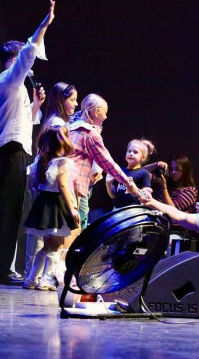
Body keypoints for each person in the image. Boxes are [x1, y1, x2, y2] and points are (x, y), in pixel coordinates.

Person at [0, 1, 53, 286]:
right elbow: (28, 55)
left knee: (12, 210)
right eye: (22, 60)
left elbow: (22, 120)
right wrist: (44, 25)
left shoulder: (15, 87)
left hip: (15, 149)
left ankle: (2, 269)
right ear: (14, 61)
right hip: (8, 150)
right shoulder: (8, 80)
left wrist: (36, 105)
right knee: (7, 211)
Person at [24, 82, 78, 288]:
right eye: (72, 99)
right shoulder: (61, 161)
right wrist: (72, 208)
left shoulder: (45, 161)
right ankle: (45, 279)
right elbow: (63, 186)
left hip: (45, 204)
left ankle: (32, 279)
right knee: (55, 246)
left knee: (47, 246)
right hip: (56, 205)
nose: (75, 103)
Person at [67, 94, 142, 226]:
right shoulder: (89, 133)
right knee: (74, 231)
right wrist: (129, 184)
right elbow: (107, 163)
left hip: (61, 186)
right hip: (73, 188)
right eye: (105, 112)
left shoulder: (70, 127)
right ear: (96, 112)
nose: (106, 117)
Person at [105, 139, 154, 209]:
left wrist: (146, 192)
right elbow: (113, 196)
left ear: (143, 157)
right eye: (129, 151)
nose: (131, 154)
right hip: (118, 209)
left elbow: (146, 194)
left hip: (135, 209)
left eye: (135, 152)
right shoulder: (120, 171)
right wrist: (108, 183)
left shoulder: (144, 173)